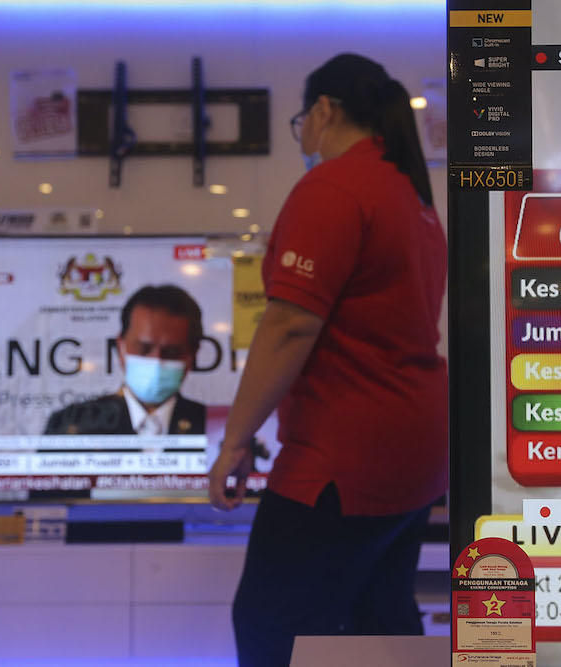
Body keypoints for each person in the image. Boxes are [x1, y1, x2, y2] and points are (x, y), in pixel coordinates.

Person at [208, 53, 448, 667]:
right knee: (378, 616)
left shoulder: (334, 187)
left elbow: (290, 324)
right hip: (414, 453)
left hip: (345, 456)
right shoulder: (410, 196)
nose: (304, 140)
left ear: (323, 110)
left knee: (270, 625)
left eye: (302, 123)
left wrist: (236, 439)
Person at [44, 284, 206, 436]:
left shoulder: (216, 427)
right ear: (121, 348)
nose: (156, 361)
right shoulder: (68, 426)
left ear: (192, 355)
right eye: (144, 349)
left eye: (171, 352)